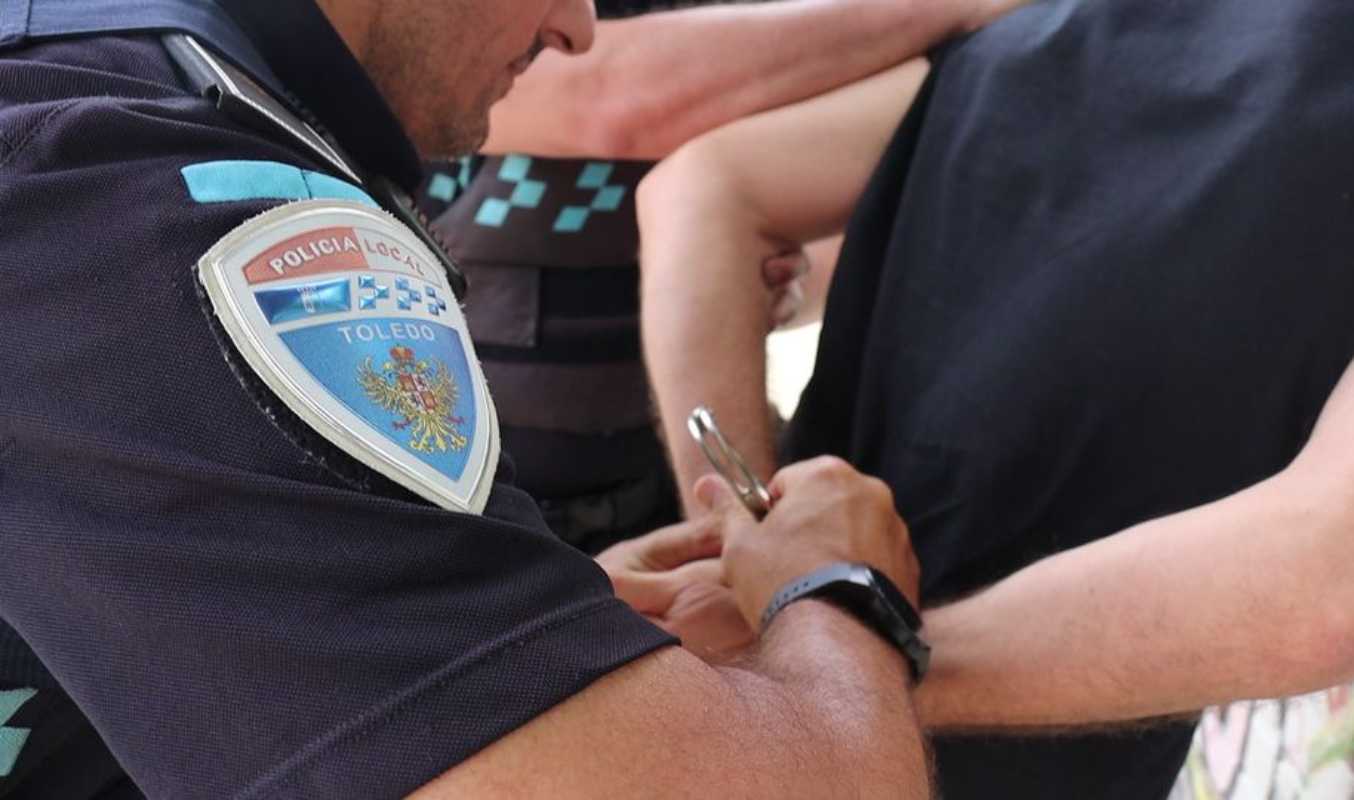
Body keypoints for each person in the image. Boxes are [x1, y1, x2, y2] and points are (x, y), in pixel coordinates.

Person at [0, 1, 947, 797]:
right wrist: (836, 585)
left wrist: (508, 627)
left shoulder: (110, 88)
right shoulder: (123, 200)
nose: (575, 28)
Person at [633, 0, 1354, 797]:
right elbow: (706, 189)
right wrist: (798, 611)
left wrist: (790, 607)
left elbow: (705, 188)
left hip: (786, 695)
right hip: (891, 712)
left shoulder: (1054, 23)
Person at [418, 0, 996, 553]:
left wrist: (757, 279)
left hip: (656, 495)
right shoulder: (486, 34)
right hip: (454, 516)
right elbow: (610, 100)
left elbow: (831, 227)